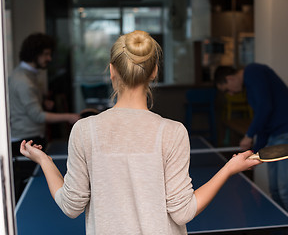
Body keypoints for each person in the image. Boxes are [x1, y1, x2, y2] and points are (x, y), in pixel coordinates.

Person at [19, 30, 262, 235]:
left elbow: (71, 206)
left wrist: (44, 160)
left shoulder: (84, 130)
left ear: (112, 70)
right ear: (154, 71)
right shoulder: (173, 132)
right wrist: (229, 168)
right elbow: (183, 212)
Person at [214, 63, 288, 235]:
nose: (231, 93)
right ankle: (282, 231)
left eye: (227, 89)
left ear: (230, 78)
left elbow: (266, 107)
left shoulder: (253, 71)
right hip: (275, 137)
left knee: (286, 191)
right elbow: (264, 125)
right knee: (275, 191)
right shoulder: (249, 90)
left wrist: (249, 135)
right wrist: (253, 155)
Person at [8, 32, 80, 201]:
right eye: (46, 54)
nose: (49, 58)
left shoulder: (29, 75)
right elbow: (38, 116)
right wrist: (69, 116)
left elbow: (28, 105)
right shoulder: (23, 81)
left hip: (31, 136)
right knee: (33, 195)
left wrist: (42, 101)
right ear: (35, 53)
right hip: (24, 142)